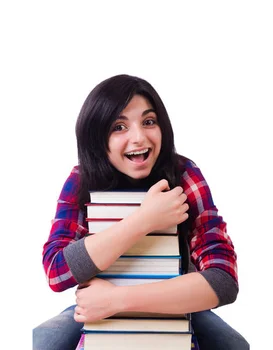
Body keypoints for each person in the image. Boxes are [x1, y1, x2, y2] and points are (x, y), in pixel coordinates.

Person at [33, 74, 248, 350]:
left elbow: (224, 279)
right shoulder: (81, 180)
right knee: (44, 340)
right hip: (97, 306)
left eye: (149, 122)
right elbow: (56, 271)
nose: (139, 137)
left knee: (233, 344)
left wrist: (117, 299)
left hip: (171, 301)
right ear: (98, 137)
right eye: (119, 127)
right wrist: (144, 220)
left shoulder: (183, 174)